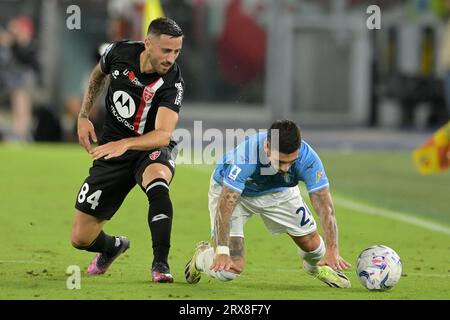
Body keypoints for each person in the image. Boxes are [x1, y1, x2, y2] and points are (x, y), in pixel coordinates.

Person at [70, 17, 185, 283]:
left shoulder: (172, 83)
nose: (171, 58)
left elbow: (163, 134)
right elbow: (98, 73)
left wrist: (127, 143)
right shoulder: (119, 52)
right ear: (148, 44)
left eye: (177, 51)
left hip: (150, 147)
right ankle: (113, 247)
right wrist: (84, 114)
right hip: (111, 150)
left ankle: (161, 264)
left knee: (158, 181)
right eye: (166, 50)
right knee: (80, 238)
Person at [185, 120, 351, 288]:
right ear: (266, 147)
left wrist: (332, 250)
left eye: (291, 162)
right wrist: (221, 250)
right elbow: (227, 202)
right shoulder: (245, 157)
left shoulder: (308, 159)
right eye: (280, 161)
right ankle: (201, 258)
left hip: (279, 192)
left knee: (316, 249)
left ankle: (316, 268)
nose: (286, 168)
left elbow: (325, 206)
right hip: (236, 195)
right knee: (229, 270)